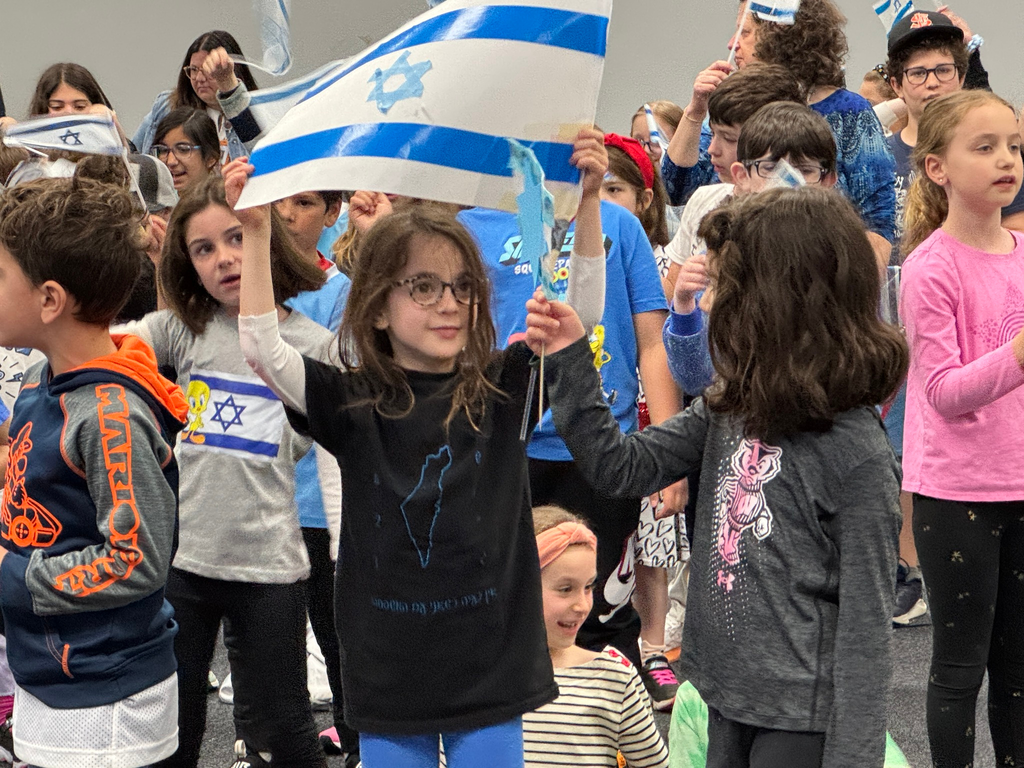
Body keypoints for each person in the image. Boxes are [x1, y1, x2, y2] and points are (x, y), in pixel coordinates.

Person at [230, 130, 607, 766]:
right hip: (389, 673)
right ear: (377, 308)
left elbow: (584, 314)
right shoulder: (351, 404)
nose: (449, 304)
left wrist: (589, 202)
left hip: (490, 668)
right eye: (423, 286)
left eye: (462, 287)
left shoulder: (505, 387)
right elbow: (262, 348)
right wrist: (258, 233)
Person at [526, 187, 908, 767]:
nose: (705, 306)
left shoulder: (856, 452)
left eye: (724, 289)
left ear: (778, 303)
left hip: (800, 720)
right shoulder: (730, 406)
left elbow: (866, 631)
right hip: (722, 699)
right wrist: (573, 356)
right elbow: (618, 466)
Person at [119, 175, 332, 768]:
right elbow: (107, 345)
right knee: (176, 730)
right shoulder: (184, 330)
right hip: (186, 565)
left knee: (288, 729)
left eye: (235, 237)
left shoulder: (312, 344)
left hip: (271, 571)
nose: (224, 258)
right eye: (203, 249)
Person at [0, 176, 189, 767]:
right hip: (49, 670)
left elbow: (135, 561)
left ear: (50, 300)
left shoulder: (111, 416)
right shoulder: (39, 381)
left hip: (106, 692)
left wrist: (12, 574)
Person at [899, 89, 1024, 768]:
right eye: (985, 147)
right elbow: (943, 393)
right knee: (959, 668)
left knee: (1020, 672)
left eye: (1012, 144)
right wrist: (1019, 355)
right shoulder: (929, 268)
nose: (1006, 159)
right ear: (937, 168)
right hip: (958, 496)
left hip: (1021, 483)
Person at [667, 0, 897, 269]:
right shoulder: (736, 105)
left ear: (781, 34)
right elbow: (676, 190)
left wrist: (848, 293)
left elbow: (877, 223)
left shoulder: (849, 112)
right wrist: (695, 111)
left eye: (745, 32)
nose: (732, 44)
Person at [273, 188, 356, 762]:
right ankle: (274, 740)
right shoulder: (240, 287)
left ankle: (357, 741)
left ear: (332, 216)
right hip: (260, 492)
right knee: (269, 642)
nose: (286, 213)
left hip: (315, 498)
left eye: (304, 203)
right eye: (280, 202)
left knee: (337, 637)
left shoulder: (338, 290)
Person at [598, 133, 680, 709]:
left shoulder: (626, 237)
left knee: (627, 570)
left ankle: (646, 653)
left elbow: (655, 344)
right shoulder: (492, 226)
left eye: (616, 187)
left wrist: (669, 453)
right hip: (523, 442)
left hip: (623, 431)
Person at [524, 506, 668, 767]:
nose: (582, 605)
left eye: (589, 587)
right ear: (520, 584)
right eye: (565, 589)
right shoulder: (478, 676)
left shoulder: (615, 676)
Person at [662, 64, 803, 291]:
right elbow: (670, 289)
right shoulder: (703, 199)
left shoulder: (800, 217)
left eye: (728, 138)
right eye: (714, 133)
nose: (712, 150)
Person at [133, 31, 257, 162]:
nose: (199, 78)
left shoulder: (254, 114)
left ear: (231, 71)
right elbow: (135, 155)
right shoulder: (167, 105)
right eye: (193, 69)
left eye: (207, 70)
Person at [150, 108, 221, 192]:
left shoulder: (226, 202)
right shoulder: (148, 202)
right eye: (163, 150)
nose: (171, 161)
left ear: (211, 157)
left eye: (183, 150)